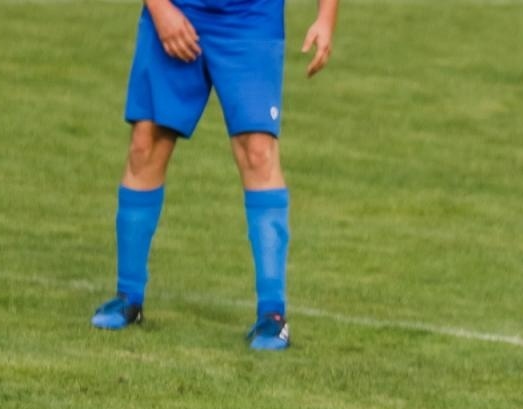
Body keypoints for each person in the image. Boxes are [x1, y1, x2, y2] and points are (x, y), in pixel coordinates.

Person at [90, 0, 339, 350]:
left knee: (258, 151)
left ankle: (272, 316)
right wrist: (160, 10)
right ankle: (128, 297)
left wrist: (325, 19)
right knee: (146, 145)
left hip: (251, 18)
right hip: (178, 8)